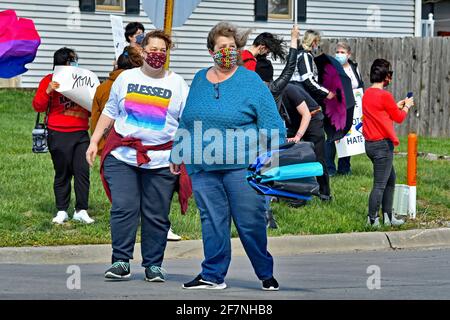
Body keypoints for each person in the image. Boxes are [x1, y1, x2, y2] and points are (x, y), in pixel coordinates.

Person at [170, 21, 286, 291]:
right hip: (203, 166)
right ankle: (212, 275)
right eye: (222, 47)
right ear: (211, 51)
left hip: (242, 165)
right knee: (211, 221)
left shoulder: (250, 80)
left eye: (232, 47)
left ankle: (264, 273)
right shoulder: (200, 78)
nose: (228, 51)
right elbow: (188, 119)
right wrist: (178, 152)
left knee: (250, 221)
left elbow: (271, 120)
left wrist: (274, 158)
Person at [86, 30, 190, 281]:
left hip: (161, 159)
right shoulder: (125, 78)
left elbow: (186, 123)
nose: (157, 55)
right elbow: (110, 111)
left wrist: (180, 154)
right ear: (142, 52)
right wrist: (94, 140)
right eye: (152, 50)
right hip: (122, 156)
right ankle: (121, 261)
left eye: (162, 51)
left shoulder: (177, 84)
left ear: (167, 54)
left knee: (156, 213)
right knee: (124, 207)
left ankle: (154, 264)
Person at [32, 47, 94, 225]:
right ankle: (61, 210)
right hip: (58, 133)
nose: (75, 63)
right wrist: (48, 91)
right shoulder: (48, 80)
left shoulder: (82, 80)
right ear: (63, 63)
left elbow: (90, 106)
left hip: (81, 133)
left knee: (82, 172)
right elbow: (38, 106)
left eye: (75, 59)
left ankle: (81, 210)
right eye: (71, 60)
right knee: (62, 173)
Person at [362, 58, 414, 227]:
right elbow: (398, 118)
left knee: (391, 179)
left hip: (370, 144)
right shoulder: (385, 96)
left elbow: (381, 113)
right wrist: (407, 106)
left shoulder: (367, 93)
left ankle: (388, 216)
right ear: (386, 77)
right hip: (382, 146)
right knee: (379, 184)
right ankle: (372, 219)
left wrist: (395, 105)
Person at [290, 29, 333, 201]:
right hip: (308, 109)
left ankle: (295, 192)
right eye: (317, 42)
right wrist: (326, 92)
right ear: (313, 41)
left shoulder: (295, 57)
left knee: (296, 153)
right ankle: (324, 192)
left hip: (294, 109)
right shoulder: (305, 57)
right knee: (318, 154)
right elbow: (308, 81)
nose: (317, 45)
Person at [91, 46, 143, 156]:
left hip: (107, 145)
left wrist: (97, 143)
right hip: (135, 145)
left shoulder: (102, 87)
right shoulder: (140, 87)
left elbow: (96, 116)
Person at [325, 42, 365, 176]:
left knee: (348, 136)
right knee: (332, 137)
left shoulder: (354, 67)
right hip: (335, 106)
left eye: (342, 52)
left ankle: (344, 168)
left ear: (349, 54)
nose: (339, 55)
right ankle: (329, 169)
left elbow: (359, 84)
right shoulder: (332, 67)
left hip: (351, 106)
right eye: (338, 52)